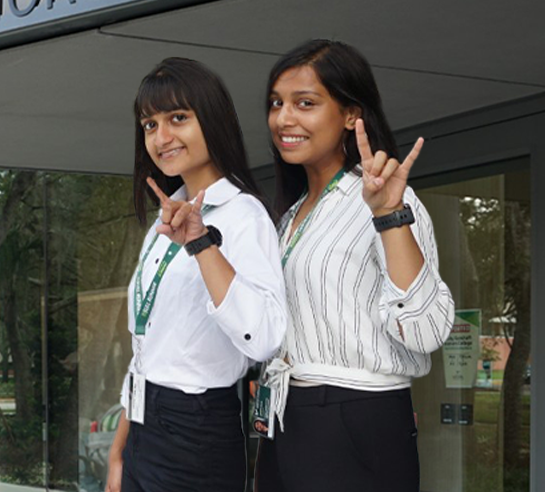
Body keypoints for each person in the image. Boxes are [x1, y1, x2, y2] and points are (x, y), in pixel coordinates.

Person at [255, 40, 455, 492]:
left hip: (357, 415)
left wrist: (388, 214)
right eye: (276, 103)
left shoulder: (387, 202)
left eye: (305, 103)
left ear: (350, 114)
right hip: (288, 415)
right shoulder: (290, 215)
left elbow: (426, 330)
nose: (284, 119)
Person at [105, 57, 287, 492]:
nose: (161, 136)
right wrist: (118, 452)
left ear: (214, 119)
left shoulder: (244, 215)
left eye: (178, 118)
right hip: (144, 427)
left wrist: (202, 243)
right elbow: (146, 349)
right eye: (149, 124)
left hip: (197, 429)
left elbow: (263, 338)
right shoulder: (165, 216)